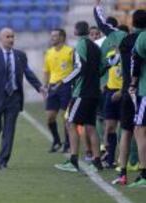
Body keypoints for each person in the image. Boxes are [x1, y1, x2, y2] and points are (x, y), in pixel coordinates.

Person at [0, 27, 46, 170]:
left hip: (13, 98)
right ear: (0, 39)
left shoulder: (20, 55)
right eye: (8, 37)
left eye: (13, 36)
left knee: (9, 132)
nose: (11, 39)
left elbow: (28, 72)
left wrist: (39, 87)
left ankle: (3, 162)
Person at [54, 21, 103, 173]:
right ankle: (97, 161)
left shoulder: (81, 44)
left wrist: (64, 81)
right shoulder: (95, 46)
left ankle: (73, 160)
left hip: (82, 92)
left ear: (75, 31)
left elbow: (80, 67)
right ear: (88, 31)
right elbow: (101, 67)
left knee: (70, 122)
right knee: (91, 126)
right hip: (94, 91)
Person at [112, 9, 146, 185]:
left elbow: (134, 64)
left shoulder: (126, 41)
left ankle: (124, 172)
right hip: (137, 91)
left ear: (132, 22)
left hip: (133, 91)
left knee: (128, 132)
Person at [93, 0, 128, 169]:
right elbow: (102, 23)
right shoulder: (112, 51)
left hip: (126, 92)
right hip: (110, 90)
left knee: (128, 129)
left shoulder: (129, 44)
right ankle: (110, 158)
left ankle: (128, 160)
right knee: (110, 126)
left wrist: (124, 89)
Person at [43, 28, 73, 153]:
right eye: (52, 36)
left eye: (55, 36)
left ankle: (67, 143)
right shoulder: (49, 53)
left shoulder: (70, 51)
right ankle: (56, 141)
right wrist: (45, 86)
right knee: (50, 117)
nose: (52, 38)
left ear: (62, 37)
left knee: (65, 117)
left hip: (66, 86)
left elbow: (76, 70)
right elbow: (46, 71)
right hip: (52, 87)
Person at [128, 23, 146, 188]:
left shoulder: (143, 37)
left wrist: (133, 83)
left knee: (139, 130)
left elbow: (136, 59)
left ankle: (144, 173)